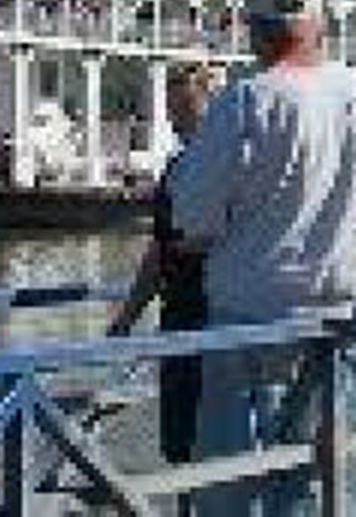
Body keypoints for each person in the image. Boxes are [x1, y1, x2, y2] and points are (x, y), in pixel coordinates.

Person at [163, 0, 356, 517]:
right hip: (342, 306)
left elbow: (192, 219)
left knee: (231, 478)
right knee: (308, 471)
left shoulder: (246, 99)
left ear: (255, 30)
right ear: (319, 26)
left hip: (254, 313)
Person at [108, 61, 228, 467]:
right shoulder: (183, 167)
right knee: (189, 439)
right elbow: (160, 251)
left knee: (200, 439)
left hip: (208, 315)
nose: (176, 120)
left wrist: (127, 316)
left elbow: (165, 252)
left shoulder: (218, 168)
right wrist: (128, 315)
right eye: (172, 110)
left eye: (185, 109)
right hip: (194, 313)